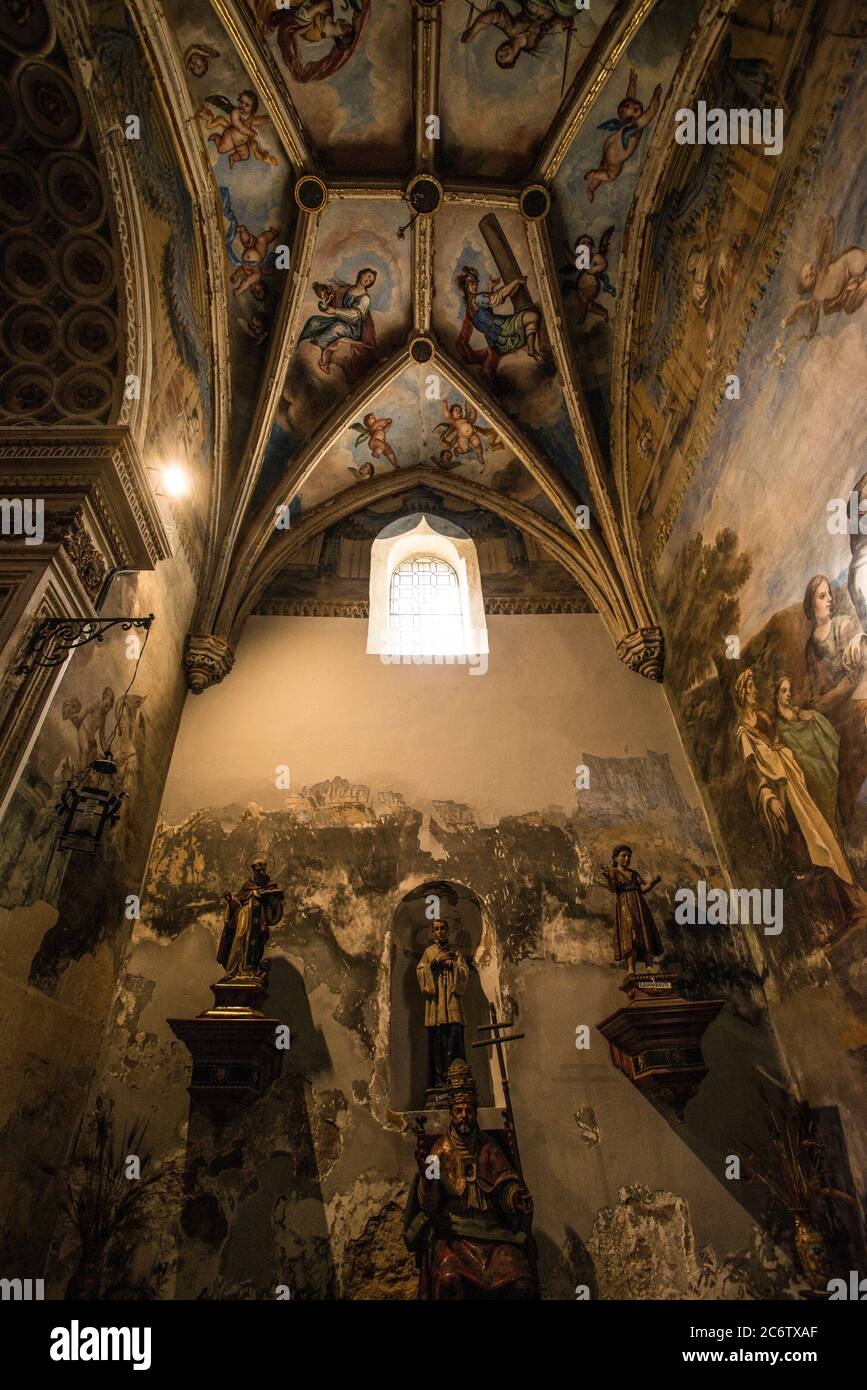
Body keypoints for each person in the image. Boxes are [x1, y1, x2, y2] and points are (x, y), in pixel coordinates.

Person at [404, 1060, 537, 1300]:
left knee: (521, 1281)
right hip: (455, 1234)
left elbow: (506, 1186)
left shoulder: (489, 1147)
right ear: (451, 1115)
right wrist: (427, 1179)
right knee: (449, 1280)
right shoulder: (441, 1150)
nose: (464, 1116)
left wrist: (516, 1198)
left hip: (494, 1234)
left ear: (475, 1112)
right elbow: (429, 1205)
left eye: (468, 1110)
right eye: (458, 1111)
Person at [802, 574, 867, 830]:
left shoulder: (845, 626)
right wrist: (815, 704)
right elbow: (817, 686)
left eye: (829, 594)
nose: (829, 600)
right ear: (811, 604)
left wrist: (821, 703)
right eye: (822, 596)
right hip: (834, 714)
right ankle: (849, 832)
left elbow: (853, 678)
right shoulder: (810, 647)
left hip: (855, 702)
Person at [772, 673, 841, 833]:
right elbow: (795, 749)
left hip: (817, 757)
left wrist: (814, 717)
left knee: (826, 770)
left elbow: (813, 728)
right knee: (818, 774)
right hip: (805, 766)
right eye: (783, 691)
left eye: (789, 690)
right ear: (776, 694)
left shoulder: (796, 711)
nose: (788, 694)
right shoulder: (780, 725)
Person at [416, 918, 469, 1095]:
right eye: (436, 929)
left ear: (448, 930)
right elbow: (420, 972)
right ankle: (438, 1080)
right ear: (433, 932)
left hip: (451, 1001)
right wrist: (435, 962)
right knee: (437, 1041)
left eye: (442, 928)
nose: (439, 932)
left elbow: (465, 972)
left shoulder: (455, 952)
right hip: (436, 1003)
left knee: (454, 1037)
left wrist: (451, 964)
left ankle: (456, 1078)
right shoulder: (429, 952)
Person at [599, 845, 664, 973]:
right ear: (616, 858)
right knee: (630, 936)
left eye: (629, 856)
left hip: (639, 905)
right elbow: (612, 889)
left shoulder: (634, 873)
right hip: (624, 906)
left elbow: (643, 888)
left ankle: (649, 966)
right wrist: (607, 878)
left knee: (645, 933)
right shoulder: (614, 872)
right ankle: (631, 968)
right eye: (623, 855)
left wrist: (654, 882)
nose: (627, 858)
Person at [217, 857, 284, 979]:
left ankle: (250, 971)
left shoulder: (270, 885)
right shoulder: (247, 886)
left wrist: (273, 901)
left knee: (256, 943)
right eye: (258, 871)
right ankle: (232, 972)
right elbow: (238, 903)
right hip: (245, 915)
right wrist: (231, 900)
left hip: (260, 920)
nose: (261, 873)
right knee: (238, 939)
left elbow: (275, 907)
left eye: (263, 870)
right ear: (253, 870)